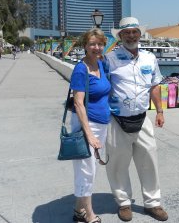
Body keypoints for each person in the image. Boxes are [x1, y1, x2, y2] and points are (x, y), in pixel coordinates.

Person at [103, 17, 168, 221]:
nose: (131, 35)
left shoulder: (150, 58)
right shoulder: (109, 58)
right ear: (120, 36)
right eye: (126, 32)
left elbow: (154, 86)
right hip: (116, 119)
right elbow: (100, 87)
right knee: (117, 163)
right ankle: (123, 203)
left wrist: (159, 111)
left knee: (149, 160)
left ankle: (152, 203)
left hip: (142, 118)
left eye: (134, 32)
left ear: (139, 34)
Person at [69, 28, 111, 223]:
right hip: (87, 126)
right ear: (85, 46)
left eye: (100, 44)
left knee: (90, 168)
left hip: (101, 124)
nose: (96, 47)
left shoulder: (100, 64)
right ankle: (89, 214)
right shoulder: (81, 69)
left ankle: (79, 210)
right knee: (87, 171)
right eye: (92, 44)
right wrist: (90, 135)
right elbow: (78, 103)